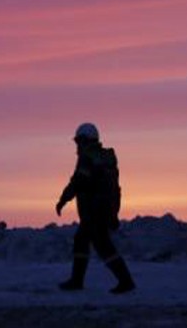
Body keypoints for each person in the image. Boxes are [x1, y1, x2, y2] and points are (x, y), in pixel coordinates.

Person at [55, 122, 135, 294]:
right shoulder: (106, 159)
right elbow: (115, 189)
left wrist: (63, 199)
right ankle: (78, 280)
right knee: (83, 240)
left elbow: (78, 182)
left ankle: (125, 281)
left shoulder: (87, 158)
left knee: (101, 244)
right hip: (104, 209)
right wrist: (113, 213)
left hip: (93, 211)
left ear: (86, 140)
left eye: (79, 141)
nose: (77, 145)